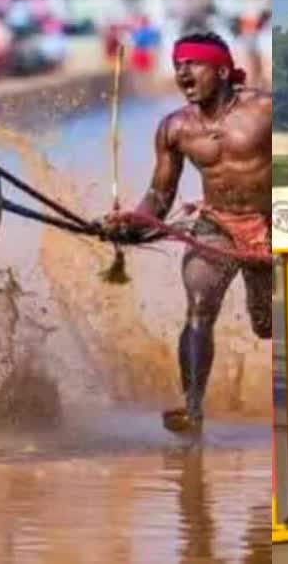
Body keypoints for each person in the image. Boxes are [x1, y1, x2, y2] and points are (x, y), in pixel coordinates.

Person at [100, 32, 271, 434]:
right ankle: (192, 409)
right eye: (178, 65)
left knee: (266, 325)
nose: (183, 72)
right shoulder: (174, 128)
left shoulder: (265, 109)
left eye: (193, 64)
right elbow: (160, 195)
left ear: (223, 70)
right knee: (198, 308)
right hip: (217, 226)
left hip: (271, 225)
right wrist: (130, 222)